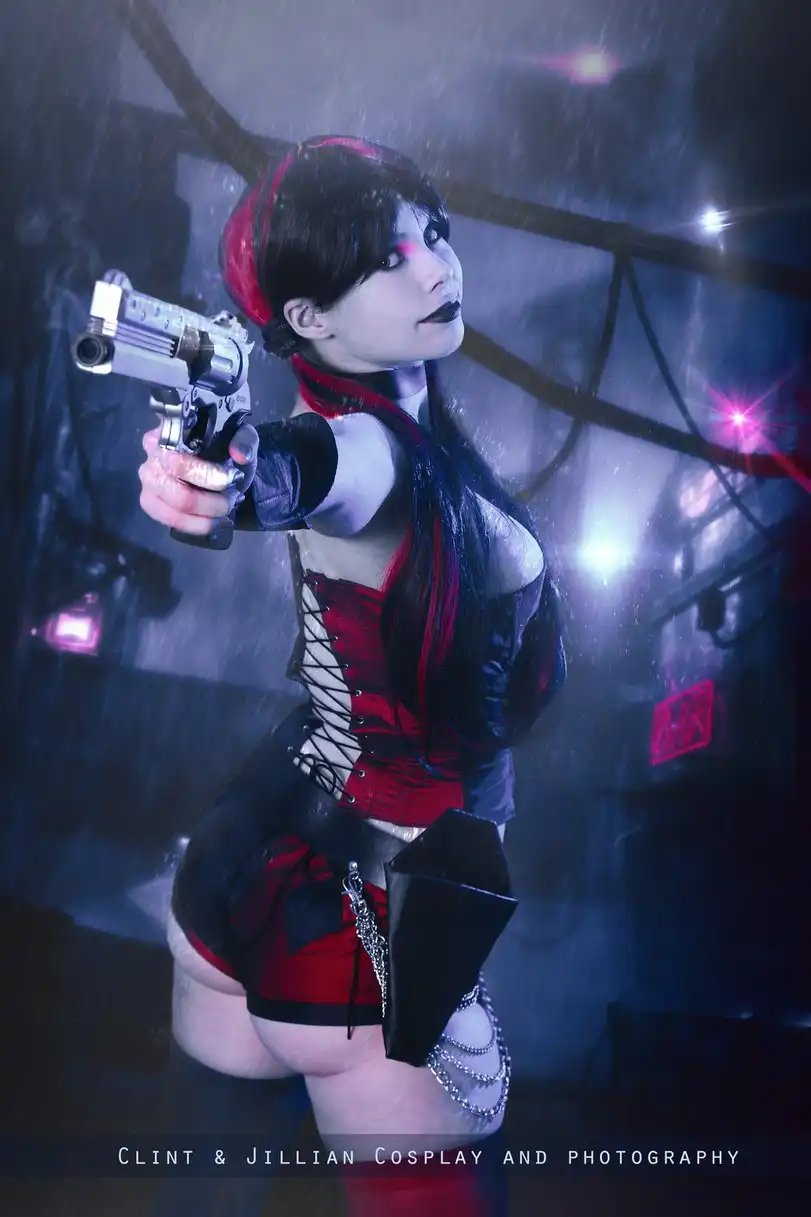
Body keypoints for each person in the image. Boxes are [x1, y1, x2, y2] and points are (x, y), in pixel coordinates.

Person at [138, 136, 566, 1217]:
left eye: (433, 234)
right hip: (367, 910)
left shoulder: (417, 439)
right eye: (387, 256)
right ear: (309, 320)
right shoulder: (365, 452)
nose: (434, 267)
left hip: (249, 861)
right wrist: (222, 476)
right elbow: (298, 470)